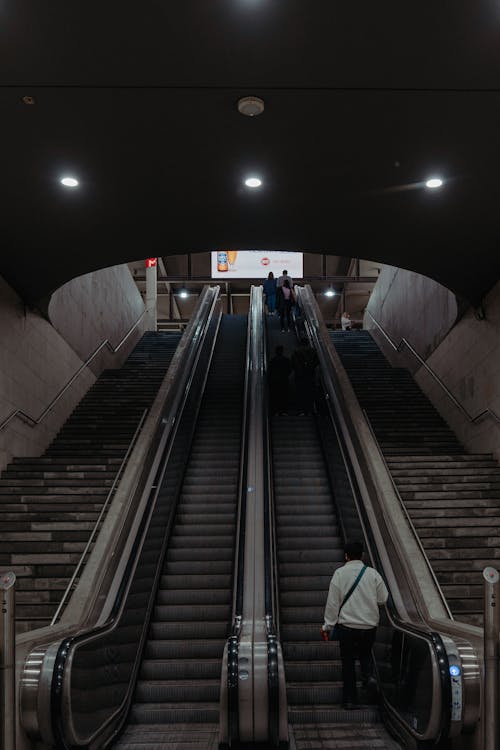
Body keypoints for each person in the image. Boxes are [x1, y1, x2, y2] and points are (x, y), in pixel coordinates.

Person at [321, 540, 388, 710]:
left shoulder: (339, 574)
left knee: (348, 662)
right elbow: (383, 598)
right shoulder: (372, 574)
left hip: (347, 627)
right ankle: (368, 677)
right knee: (365, 654)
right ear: (362, 555)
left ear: (346, 556)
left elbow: (332, 603)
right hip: (369, 626)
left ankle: (350, 700)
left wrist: (327, 626)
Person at [291, 337, 318, 414]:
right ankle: (311, 409)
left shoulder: (296, 351)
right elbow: (316, 362)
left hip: (300, 376)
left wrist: (298, 370)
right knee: (310, 392)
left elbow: (293, 364)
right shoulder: (313, 350)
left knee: (301, 392)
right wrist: (311, 367)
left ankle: (302, 410)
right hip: (311, 375)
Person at [268, 345, 292, 415]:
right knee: (284, 396)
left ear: (276, 352)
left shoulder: (272, 361)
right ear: (282, 351)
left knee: (275, 396)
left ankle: (275, 410)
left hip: (275, 381)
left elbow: (270, 371)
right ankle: (283, 411)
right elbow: (289, 370)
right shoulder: (286, 360)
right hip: (284, 380)